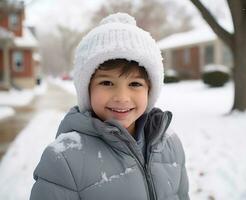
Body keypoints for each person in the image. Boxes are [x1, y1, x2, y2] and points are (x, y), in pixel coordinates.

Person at [30, 13, 189, 200]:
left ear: (150, 90)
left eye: (135, 84)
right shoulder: (63, 159)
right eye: (107, 83)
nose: (122, 98)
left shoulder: (170, 145)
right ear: (87, 89)